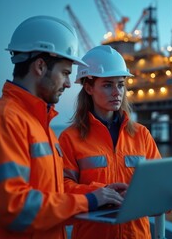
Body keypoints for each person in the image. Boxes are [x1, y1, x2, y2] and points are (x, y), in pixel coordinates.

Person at [0, 16, 127, 239]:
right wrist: (90, 201)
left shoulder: (40, 125)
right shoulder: (2, 121)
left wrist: (100, 192)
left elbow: (53, 193)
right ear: (40, 66)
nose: (70, 83)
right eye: (65, 73)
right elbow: (14, 208)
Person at [59, 45, 162, 239]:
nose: (117, 92)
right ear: (89, 87)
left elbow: (160, 185)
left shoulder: (141, 134)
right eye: (108, 85)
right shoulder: (70, 138)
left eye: (121, 84)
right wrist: (100, 193)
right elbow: (61, 188)